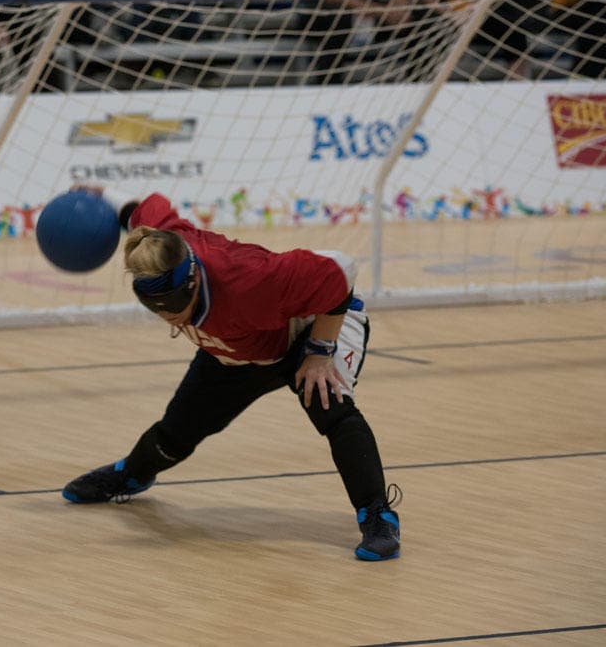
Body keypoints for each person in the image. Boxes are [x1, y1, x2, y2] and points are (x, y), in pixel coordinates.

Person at [61, 191, 402, 561]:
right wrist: (99, 206)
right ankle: (131, 475)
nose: (171, 318)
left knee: (331, 407)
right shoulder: (160, 237)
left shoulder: (250, 280)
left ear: (192, 279)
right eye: (156, 309)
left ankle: (377, 514)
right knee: (176, 434)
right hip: (239, 348)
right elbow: (136, 212)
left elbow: (341, 270)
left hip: (313, 328)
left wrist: (320, 351)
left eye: (175, 306)